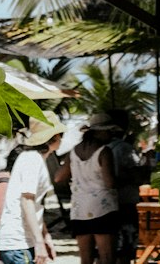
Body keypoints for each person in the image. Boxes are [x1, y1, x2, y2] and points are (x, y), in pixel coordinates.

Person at [0, 118, 64, 264]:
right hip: (18, 241)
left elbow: (35, 205)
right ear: (54, 137)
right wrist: (39, 242)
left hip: (23, 240)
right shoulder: (32, 159)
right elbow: (27, 201)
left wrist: (44, 236)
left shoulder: (34, 158)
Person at [57, 113, 120, 264]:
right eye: (109, 131)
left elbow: (59, 177)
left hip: (79, 210)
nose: (111, 135)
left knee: (86, 259)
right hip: (103, 208)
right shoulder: (104, 151)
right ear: (100, 131)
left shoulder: (73, 151)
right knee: (107, 258)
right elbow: (109, 182)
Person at [106, 113, 143, 264]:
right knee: (127, 242)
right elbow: (136, 174)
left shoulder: (101, 147)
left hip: (106, 202)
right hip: (126, 199)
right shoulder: (124, 148)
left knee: (113, 243)